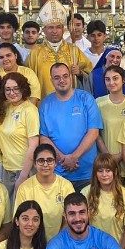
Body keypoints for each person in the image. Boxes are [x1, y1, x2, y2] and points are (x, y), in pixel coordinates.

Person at [39, 63, 103, 192]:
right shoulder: (45, 104)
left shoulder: (86, 99)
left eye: (65, 76)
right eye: (57, 78)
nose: (61, 80)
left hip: (87, 173)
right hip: (58, 173)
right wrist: (63, 158)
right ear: (51, 80)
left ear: (71, 77)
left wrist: (74, 157)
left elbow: (93, 132)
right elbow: (44, 137)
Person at [26, 0, 93, 95]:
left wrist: (80, 73)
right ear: (44, 30)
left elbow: (90, 74)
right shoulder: (35, 53)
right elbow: (28, 80)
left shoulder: (74, 50)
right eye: (50, 27)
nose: (54, 31)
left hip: (70, 104)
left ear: (63, 29)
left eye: (58, 27)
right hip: (45, 104)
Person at [15, 144, 75, 241]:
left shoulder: (66, 186)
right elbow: (21, 221)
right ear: (34, 164)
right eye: (41, 160)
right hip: (32, 241)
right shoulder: (25, 188)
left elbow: (70, 218)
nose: (45, 164)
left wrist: (57, 243)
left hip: (60, 241)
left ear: (55, 163)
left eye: (50, 160)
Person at [0, 72, 40, 199]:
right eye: (8, 89)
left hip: (23, 170)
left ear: (23, 88)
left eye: (16, 88)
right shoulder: (6, 107)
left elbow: (33, 146)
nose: (12, 93)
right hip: (6, 169)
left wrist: (23, 176)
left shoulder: (30, 110)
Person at [81, 153, 125, 248]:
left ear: (115, 172)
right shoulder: (85, 193)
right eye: (100, 171)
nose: (104, 175)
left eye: (108, 170)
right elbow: (81, 225)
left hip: (117, 248)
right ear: (95, 173)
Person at [96, 65, 125, 172]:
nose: (111, 83)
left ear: (123, 80)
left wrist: (121, 155)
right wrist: (107, 155)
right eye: (107, 79)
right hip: (106, 159)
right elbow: (95, 133)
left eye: (115, 78)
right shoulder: (98, 103)